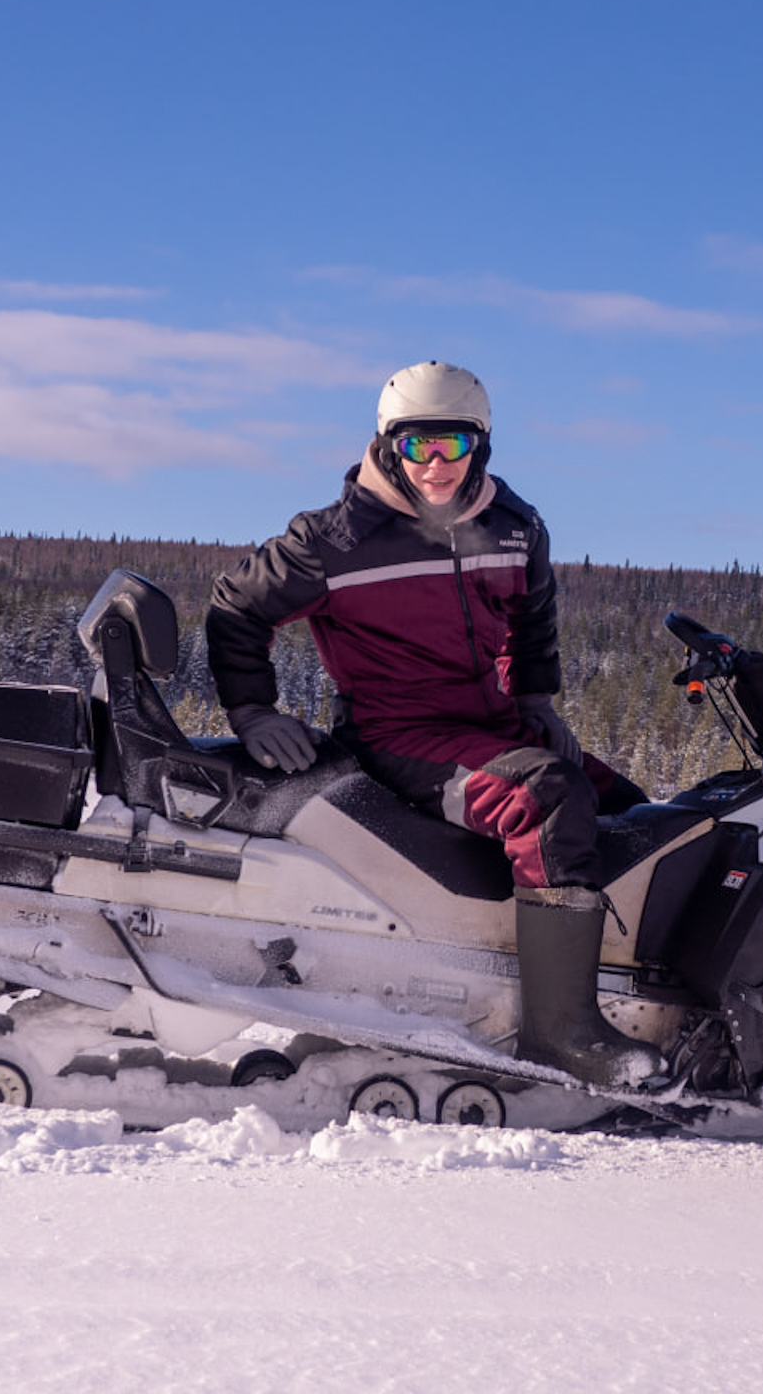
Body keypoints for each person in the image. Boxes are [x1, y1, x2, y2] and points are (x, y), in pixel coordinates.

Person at [205, 361, 664, 1087]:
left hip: (494, 724)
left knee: (636, 813)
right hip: (400, 736)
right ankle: (561, 1033)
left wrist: (536, 698)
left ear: (481, 444)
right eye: (420, 446)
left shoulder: (514, 527)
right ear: (388, 445)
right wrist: (253, 709)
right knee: (546, 801)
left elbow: (533, 616)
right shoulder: (334, 541)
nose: (439, 465)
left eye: (455, 444)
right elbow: (236, 607)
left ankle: (657, 994)